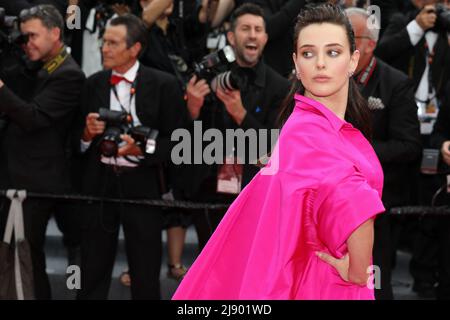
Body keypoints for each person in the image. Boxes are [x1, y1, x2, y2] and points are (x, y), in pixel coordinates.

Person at [172, 3, 385, 300]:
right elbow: (357, 203)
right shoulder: (305, 131)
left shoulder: (322, 127)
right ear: (296, 63)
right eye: (309, 53)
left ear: (353, 60)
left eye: (333, 52)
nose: (320, 63)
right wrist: (359, 270)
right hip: (323, 282)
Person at [75, 14, 182, 300]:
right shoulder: (91, 84)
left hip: (143, 185)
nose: (104, 48)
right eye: (104, 42)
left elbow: (182, 144)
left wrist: (143, 149)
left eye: (112, 43)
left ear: (134, 48)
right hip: (99, 186)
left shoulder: (165, 85)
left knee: (146, 275)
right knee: (91, 273)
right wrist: (86, 135)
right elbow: (74, 143)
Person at [179, 3, 290, 251]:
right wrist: (191, 111)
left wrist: (241, 115)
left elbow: (276, 146)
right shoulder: (209, 76)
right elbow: (185, 141)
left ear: (265, 38)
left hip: (256, 191)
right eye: (245, 29)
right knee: (209, 266)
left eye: (258, 29)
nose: (252, 35)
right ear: (231, 36)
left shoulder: (279, 87)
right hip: (208, 189)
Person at [0, 4, 85, 299]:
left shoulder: (69, 74)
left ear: (55, 33)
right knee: (21, 254)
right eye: (23, 37)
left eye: (33, 36)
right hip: (18, 175)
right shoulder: (33, 66)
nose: (27, 43)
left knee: (29, 256)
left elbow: (33, 118)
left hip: (39, 181)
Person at [346, 8, 422, 300]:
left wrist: (357, 152)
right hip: (329, 200)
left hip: (375, 204)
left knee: (374, 283)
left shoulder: (396, 83)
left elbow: (409, 146)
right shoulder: (326, 77)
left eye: (351, 37)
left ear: (371, 44)